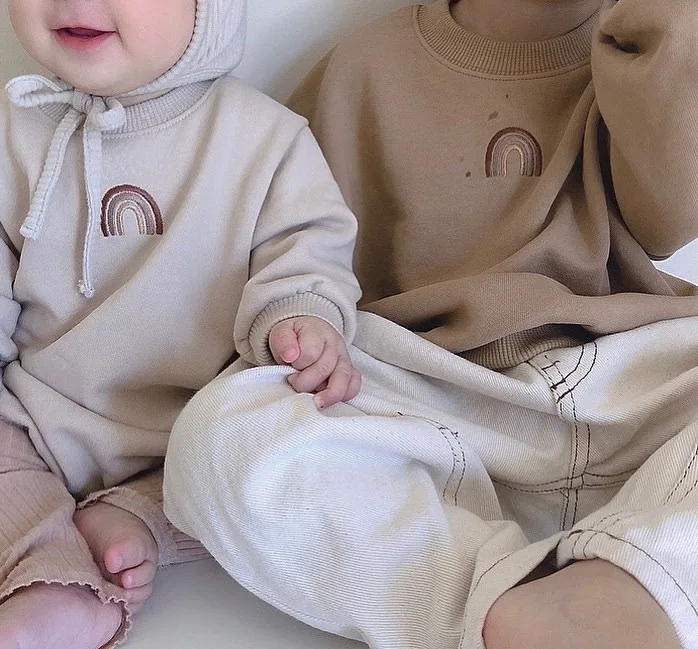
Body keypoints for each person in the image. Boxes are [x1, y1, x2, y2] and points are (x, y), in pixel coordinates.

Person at [163, 0, 698, 648]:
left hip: (631, 384)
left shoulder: (644, 47)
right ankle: (508, 603)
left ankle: (644, 577)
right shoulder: (365, 66)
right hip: (432, 401)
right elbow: (291, 243)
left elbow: (670, 219)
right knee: (220, 433)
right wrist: (304, 319)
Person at [0, 0, 362, 646]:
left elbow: (307, 250)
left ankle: (141, 516)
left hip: (198, 427)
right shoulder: (14, 127)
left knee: (292, 447)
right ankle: (51, 575)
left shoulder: (263, 138)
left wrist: (299, 317)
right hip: (37, 420)